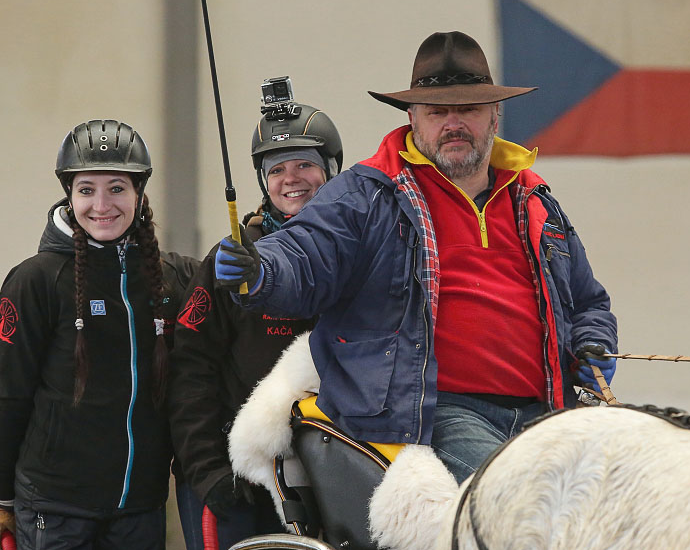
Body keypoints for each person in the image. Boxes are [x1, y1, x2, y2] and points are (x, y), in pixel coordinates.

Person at [215, 31, 618, 484]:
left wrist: (594, 343)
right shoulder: (366, 193)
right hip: (433, 413)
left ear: (495, 116)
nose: (453, 123)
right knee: (527, 496)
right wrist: (260, 269)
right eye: (437, 111)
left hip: (545, 410)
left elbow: (587, 303)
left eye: (467, 109)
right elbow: (303, 254)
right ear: (412, 117)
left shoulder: (535, 199)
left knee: (620, 497)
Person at [0, 120, 197, 550]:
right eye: (86, 190)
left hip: (139, 506)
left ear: (138, 193)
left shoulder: (173, 277)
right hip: (54, 509)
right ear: (68, 195)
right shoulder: (34, 281)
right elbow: (9, 396)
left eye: (117, 188)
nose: (102, 205)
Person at [167, 98, 342, 550]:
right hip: (233, 485)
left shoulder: (359, 257)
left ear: (331, 168)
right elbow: (188, 373)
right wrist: (208, 472)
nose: (292, 179)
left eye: (306, 164)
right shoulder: (229, 264)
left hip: (327, 484)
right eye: (277, 169)